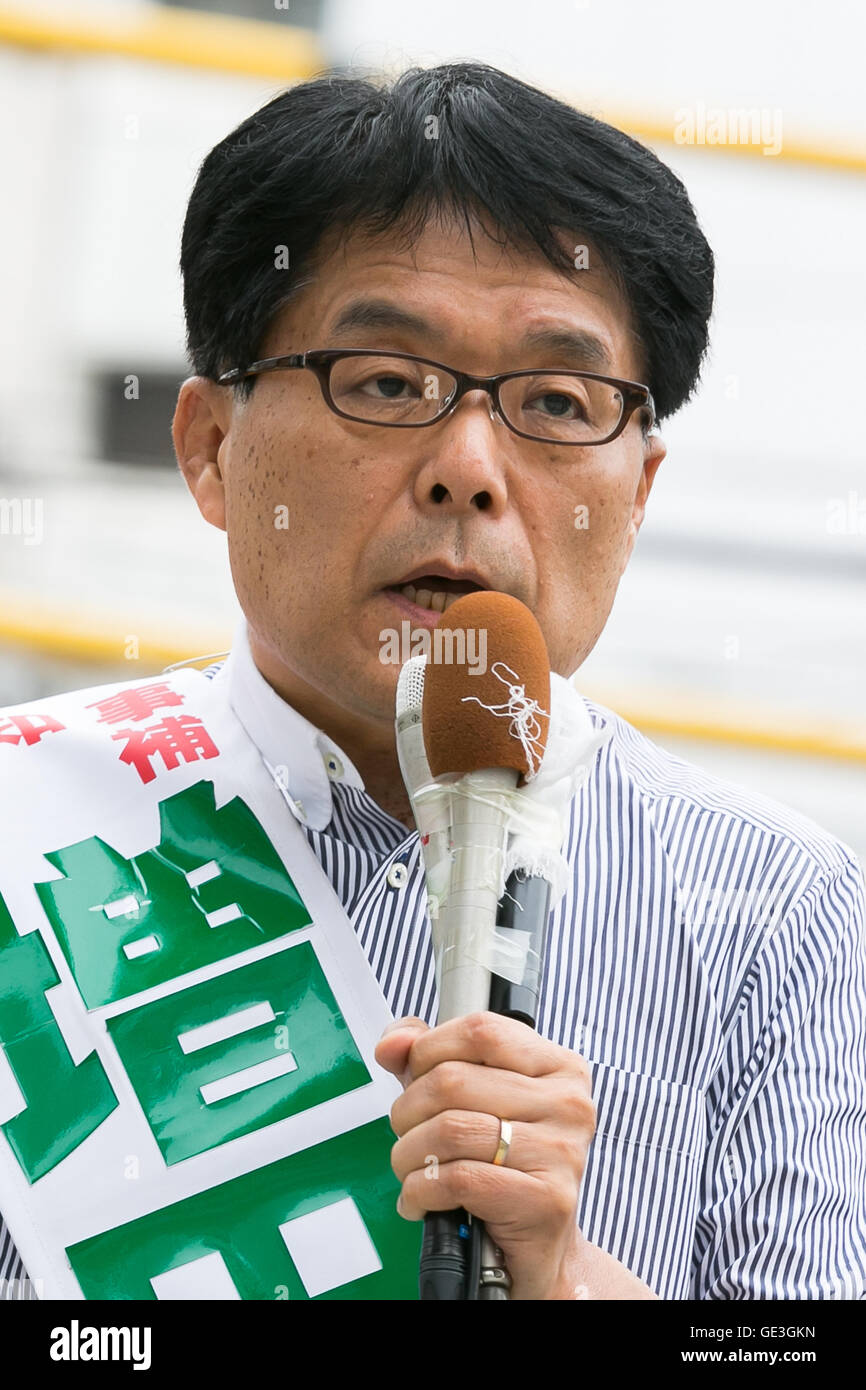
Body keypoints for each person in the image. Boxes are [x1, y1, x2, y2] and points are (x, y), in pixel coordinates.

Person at [1, 62, 864, 1302]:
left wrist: (562, 1277)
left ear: (637, 496)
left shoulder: (774, 914)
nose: (467, 466)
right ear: (211, 448)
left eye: (556, 401)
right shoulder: (17, 825)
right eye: (386, 382)